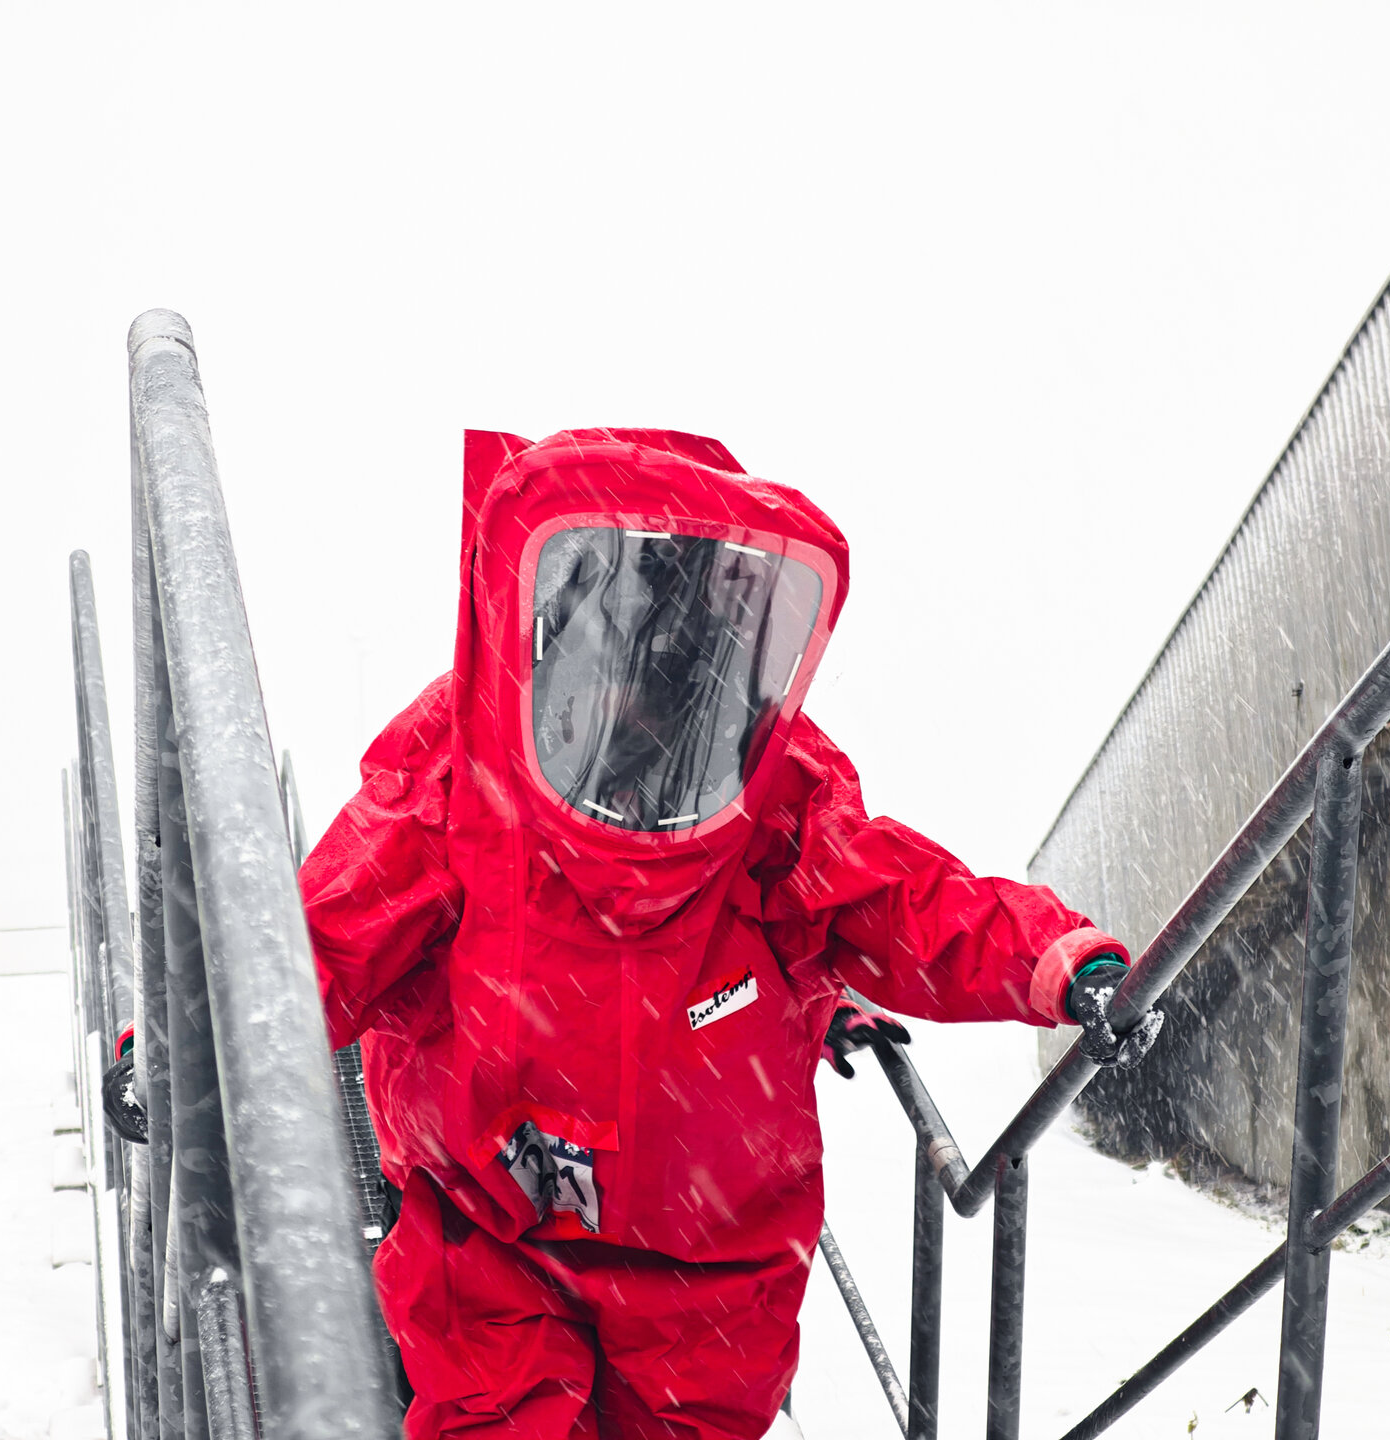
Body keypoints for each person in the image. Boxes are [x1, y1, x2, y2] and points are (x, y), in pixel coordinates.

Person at [301, 428, 1161, 1440]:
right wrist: (182, 1052)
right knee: (498, 1418)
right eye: (617, 649)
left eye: (671, 661)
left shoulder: (772, 793)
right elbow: (310, 950)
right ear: (549, 632)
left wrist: (1058, 964)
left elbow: (903, 900)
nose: (639, 694)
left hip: (709, 1269)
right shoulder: (457, 788)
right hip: (494, 1235)